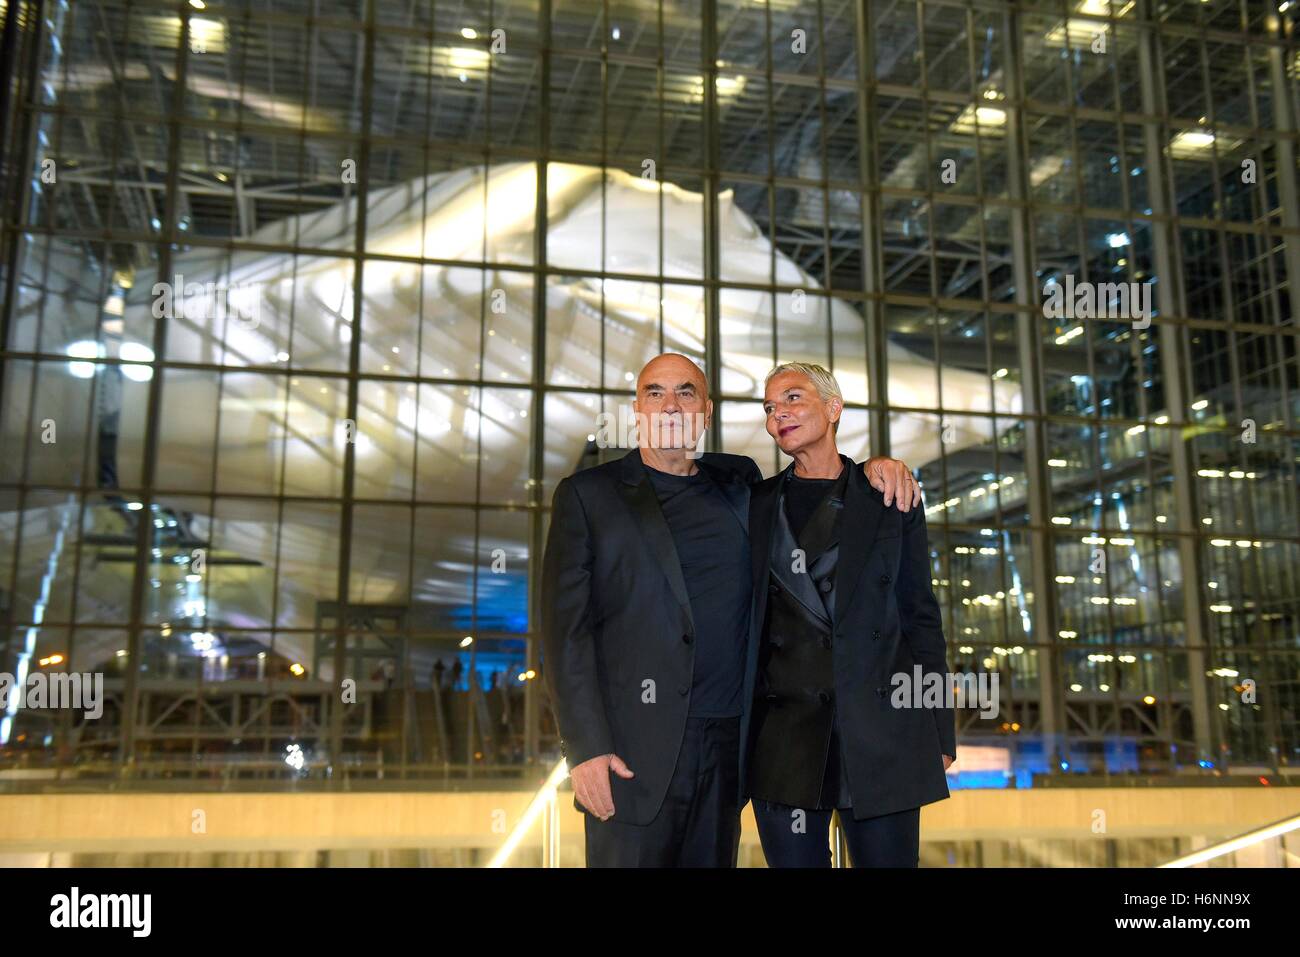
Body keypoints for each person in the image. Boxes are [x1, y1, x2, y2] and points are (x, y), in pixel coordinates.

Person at [541, 352, 921, 867]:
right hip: (632, 755)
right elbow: (565, 633)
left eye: (686, 392)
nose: (670, 404)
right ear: (637, 409)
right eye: (655, 392)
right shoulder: (588, 495)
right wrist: (584, 749)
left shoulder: (742, 485)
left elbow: (819, 485)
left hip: (731, 752)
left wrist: (877, 467)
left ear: (707, 411)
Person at [743, 362, 956, 867]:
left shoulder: (888, 495)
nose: (779, 415)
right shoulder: (752, 504)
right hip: (783, 741)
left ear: (833, 408)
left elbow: (920, 615)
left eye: (792, 399)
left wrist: (939, 729)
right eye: (770, 408)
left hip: (883, 733)